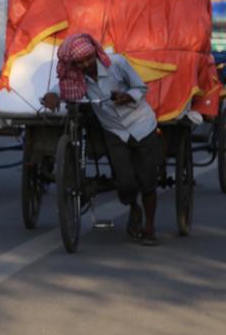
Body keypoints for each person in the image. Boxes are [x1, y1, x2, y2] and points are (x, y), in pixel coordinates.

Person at [40, 33, 161, 246]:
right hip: (114, 131)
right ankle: (134, 207)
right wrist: (52, 96)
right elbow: (61, 87)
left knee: (149, 181)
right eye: (81, 62)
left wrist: (127, 96)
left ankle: (149, 227)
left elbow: (140, 88)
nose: (86, 64)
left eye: (88, 59)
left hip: (141, 124)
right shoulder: (75, 75)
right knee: (125, 183)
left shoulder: (117, 63)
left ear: (95, 53)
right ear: (74, 64)